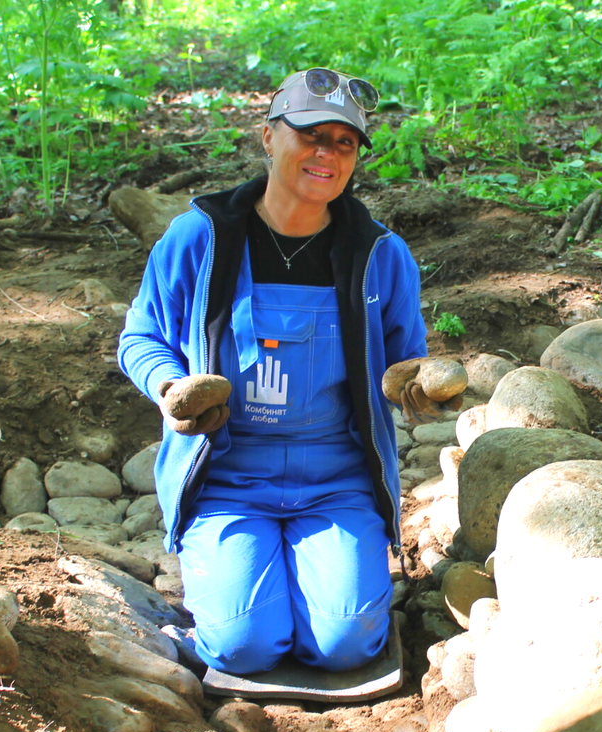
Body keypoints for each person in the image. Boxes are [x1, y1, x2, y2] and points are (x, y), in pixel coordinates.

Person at [118, 68, 449, 676]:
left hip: (337, 478)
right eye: (311, 135)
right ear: (270, 137)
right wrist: (170, 389)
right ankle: (242, 602)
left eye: (344, 142)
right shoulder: (199, 238)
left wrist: (417, 386)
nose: (327, 153)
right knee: (244, 647)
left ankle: (317, 588)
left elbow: (409, 363)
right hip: (226, 477)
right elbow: (141, 338)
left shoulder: (381, 254)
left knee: (346, 645)